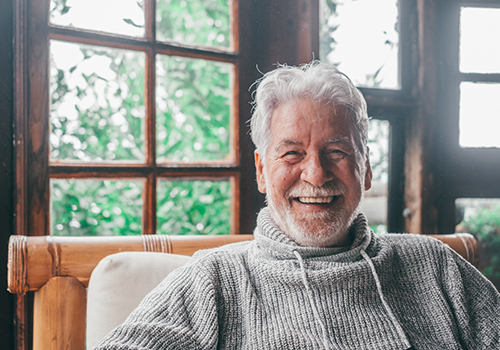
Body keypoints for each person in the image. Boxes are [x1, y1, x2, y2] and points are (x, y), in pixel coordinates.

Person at [94, 61, 500, 349]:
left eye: (337, 152)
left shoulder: (436, 266)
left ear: (367, 169)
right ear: (261, 170)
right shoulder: (213, 280)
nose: (316, 174)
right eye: (292, 154)